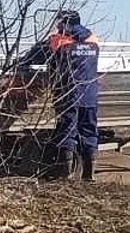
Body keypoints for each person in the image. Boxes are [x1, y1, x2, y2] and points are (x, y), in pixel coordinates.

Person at [44, 11, 102, 181]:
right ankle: (89, 174)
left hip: (68, 94)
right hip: (90, 94)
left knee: (67, 131)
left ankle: (67, 173)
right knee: (89, 131)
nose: (57, 26)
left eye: (59, 23)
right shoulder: (93, 40)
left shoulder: (58, 41)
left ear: (66, 24)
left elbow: (39, 56)